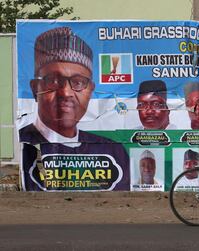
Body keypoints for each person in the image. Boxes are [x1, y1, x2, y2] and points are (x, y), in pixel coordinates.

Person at [18, 27, 130, 191]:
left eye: (78, 82)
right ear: (36, 89)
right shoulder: (27, 143)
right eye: (54, 81)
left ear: (90, 90)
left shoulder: (112, 149)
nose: (66, 93)